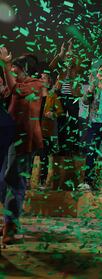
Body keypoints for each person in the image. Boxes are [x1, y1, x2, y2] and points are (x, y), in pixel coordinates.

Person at [0, 48, 44, 245]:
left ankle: (11, 225)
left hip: (25, 141)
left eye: (16, 69)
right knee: (4, 180)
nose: (14, 72)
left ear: (26, 70)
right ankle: (11, 219)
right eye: (13, 69)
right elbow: (7, 91)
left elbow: (17, 90)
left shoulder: (37, 84)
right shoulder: (16, 82)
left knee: (14, 182)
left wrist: (5, 65)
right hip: (9, 138)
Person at [81, 65, 102, 190]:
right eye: (100, 71)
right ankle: (88, 181)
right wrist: (92, 87)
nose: (101, 74)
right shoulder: (94, 87)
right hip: (94, 122)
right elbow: (85, 101)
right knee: (91, 152)